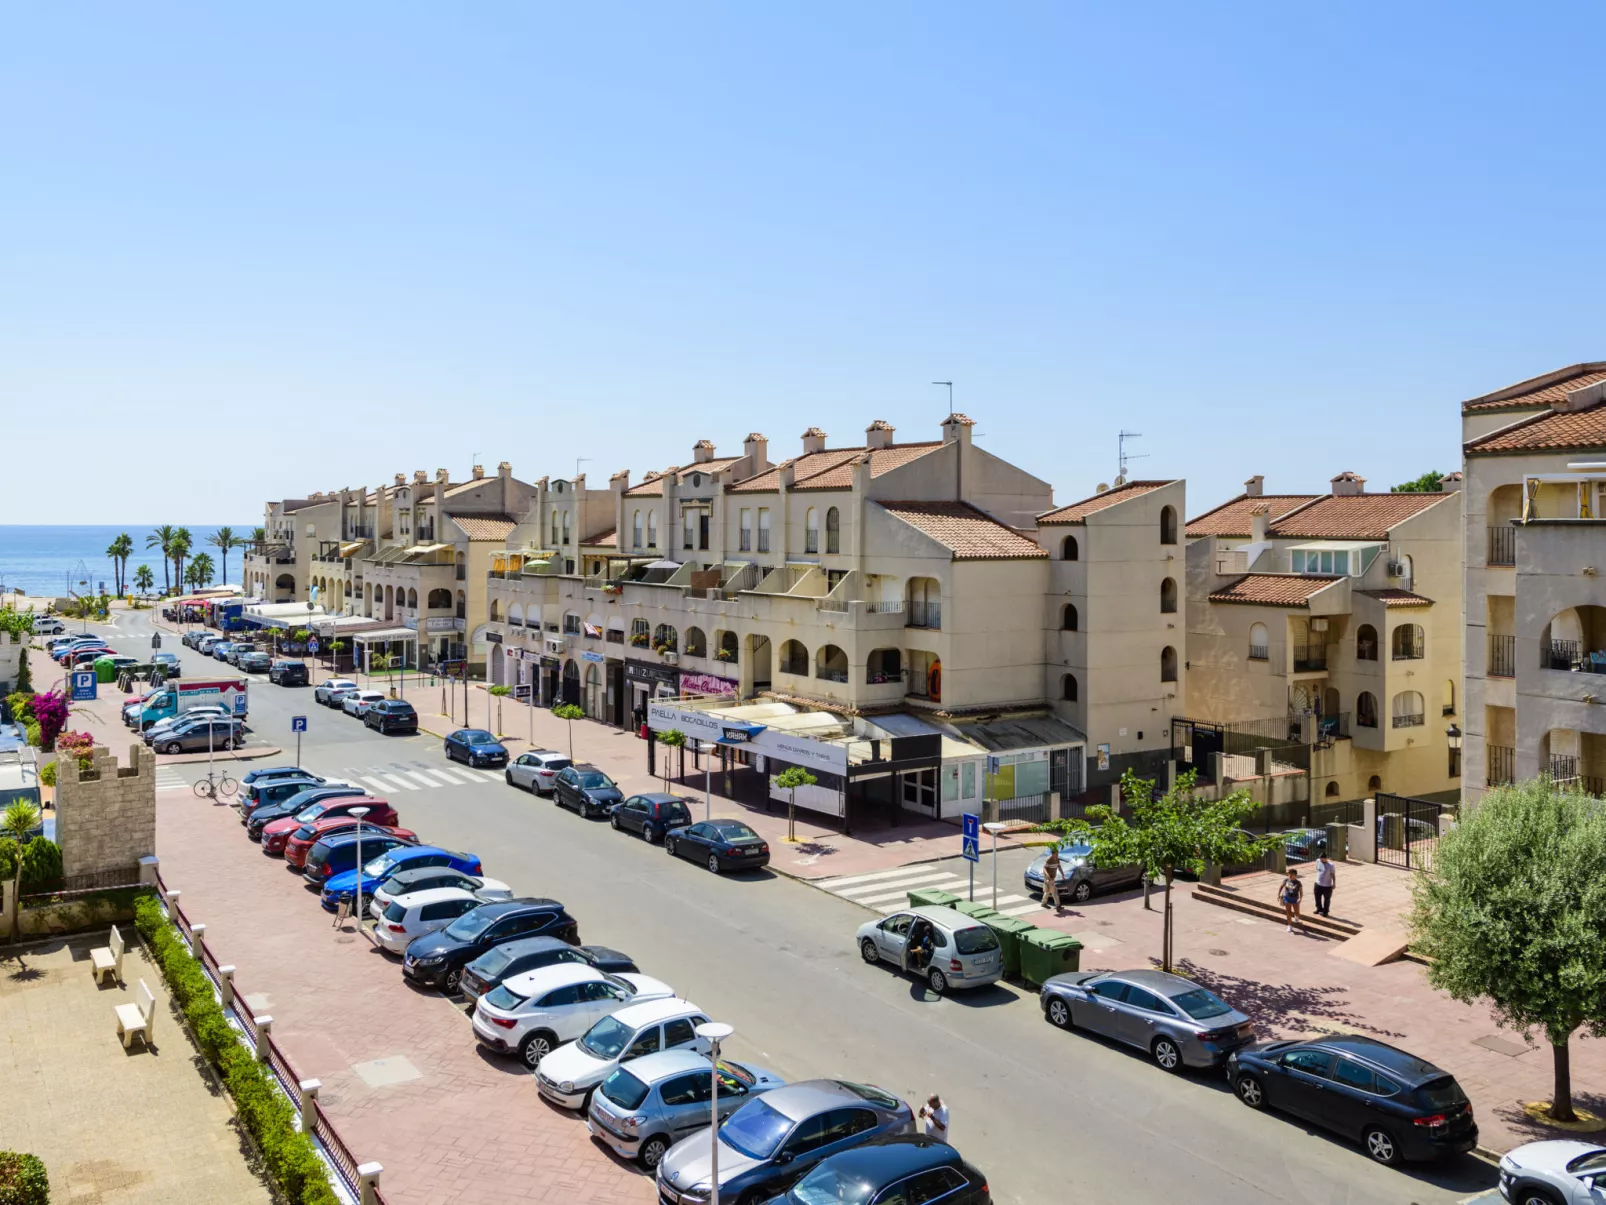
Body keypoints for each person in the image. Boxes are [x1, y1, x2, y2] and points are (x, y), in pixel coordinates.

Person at [1040, 845, 1064, 912]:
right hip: (1048, 878)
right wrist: (1048, 876)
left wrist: (1063, 875)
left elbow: (1059, 867)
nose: (1056, 856)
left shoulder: (1057, 860)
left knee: (1048, 891)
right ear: (1052, 854)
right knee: (1054, 891)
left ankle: (1043, 903)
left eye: (1057, 854)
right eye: (1055, 854)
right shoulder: (1049, 859)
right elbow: (1044, 868)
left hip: (1052, 878)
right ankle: (1058, 905)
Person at [1279, 867, 1303, 932]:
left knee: (1297, 912)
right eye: (1289, 874)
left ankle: (1296, 917)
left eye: (1292, 875)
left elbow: (1301, 892)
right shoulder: (1286, 880)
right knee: (1288, 912)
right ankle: (1289, 925)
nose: (1290, 876)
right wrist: (1278, 895)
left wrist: (1300, 898)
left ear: (1295, 875)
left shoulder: (1298, 882)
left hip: (1295, 899)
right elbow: (1281, 887)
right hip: (1287, 898)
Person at [1313, 852, 1336, 916]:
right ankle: (1319, 909)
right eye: (1320, 859)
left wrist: (1334, 883)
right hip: (1318, 884)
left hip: (1327, 886)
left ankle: (1326, 911)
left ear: (1326, 858)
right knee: (1317, 897)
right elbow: (1317, 868)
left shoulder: (1331, 865)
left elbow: (1333, 875)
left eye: (1322, 859)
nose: (1321, 861)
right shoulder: (1318, 861)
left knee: (1327, 899)